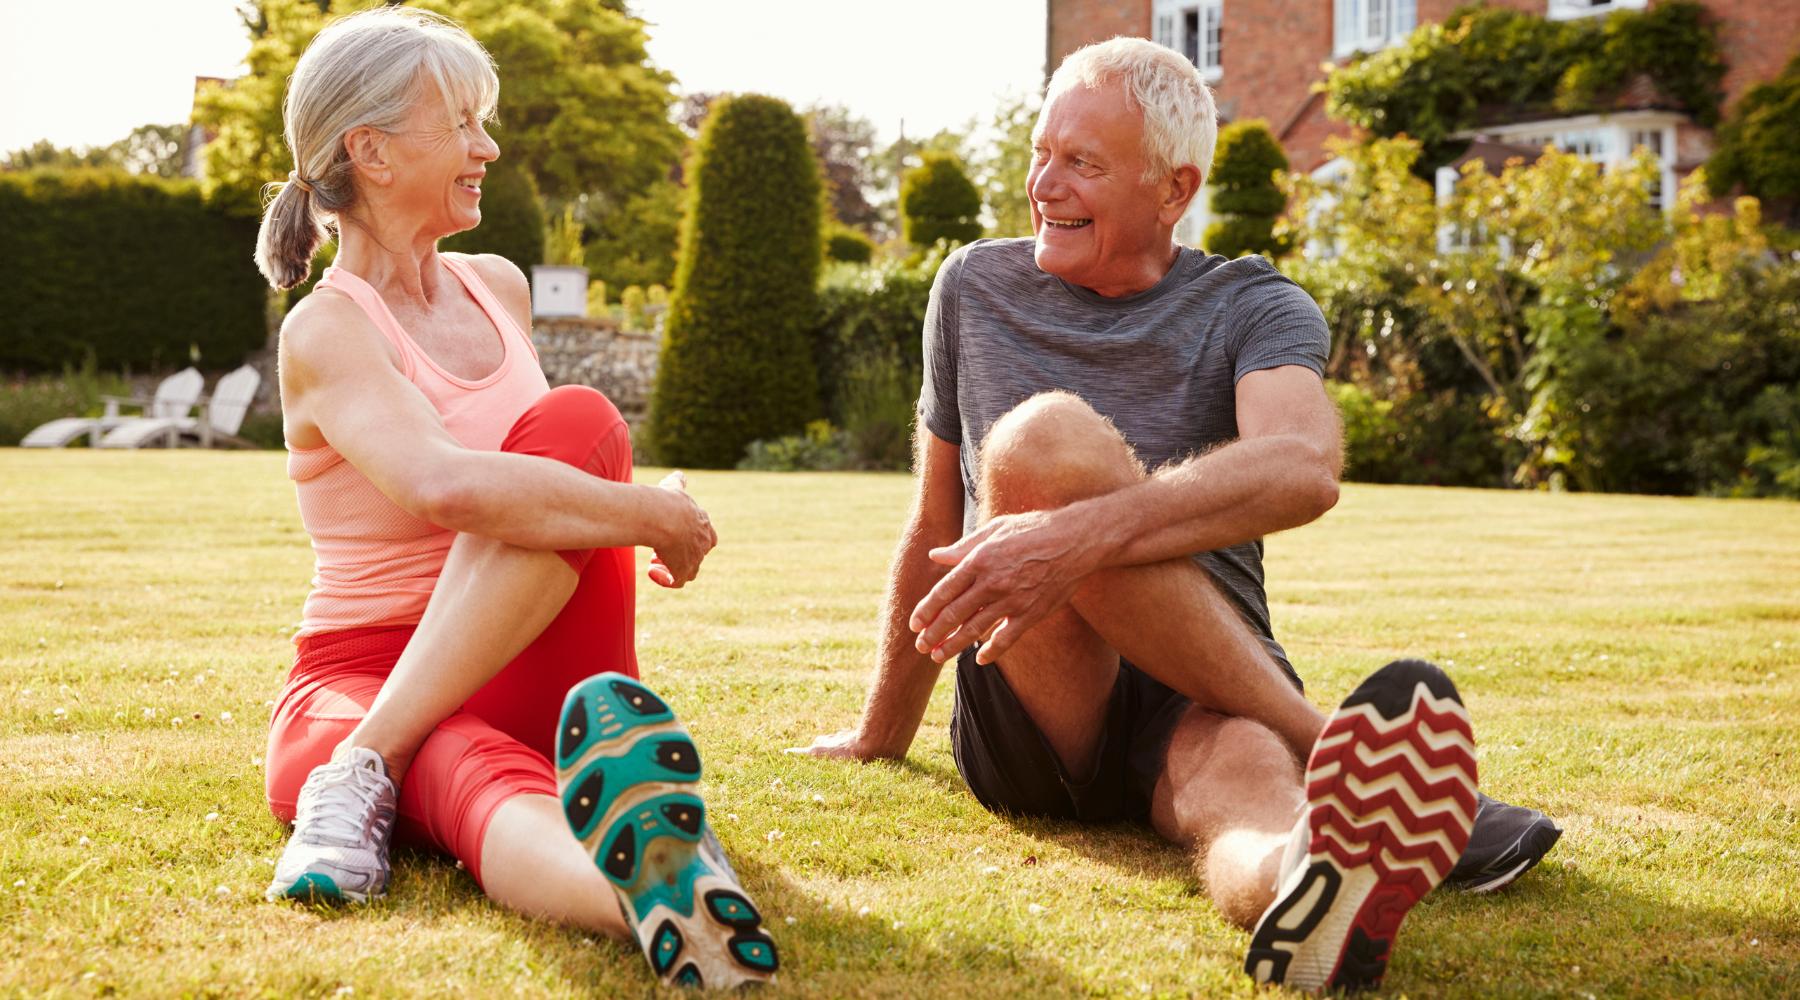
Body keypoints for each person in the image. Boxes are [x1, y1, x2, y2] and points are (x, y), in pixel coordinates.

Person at [794, 37, 1559, 993]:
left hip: (1209, 686)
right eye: (1041, 152)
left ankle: (1306, 886)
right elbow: (933, 519)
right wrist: (879, 733)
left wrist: (1075, 537)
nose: (1045, 183)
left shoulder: (1252, 304)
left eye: (1083, 163)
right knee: (1043, 442)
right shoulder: (973, 289)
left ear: (1173, 186)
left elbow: (1305, 468)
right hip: (1035, 691)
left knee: (1248, 789)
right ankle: (1324, 738)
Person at [252, 8, 774, 989]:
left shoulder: (500, 287)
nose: (487, 147)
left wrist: (621, 498)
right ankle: (657, 897)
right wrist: (652, 514)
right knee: (459, 764)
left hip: (532, 656)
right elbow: (443, 483)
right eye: (461, 123)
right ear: (369, 148)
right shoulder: (328, 332)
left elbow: (543, 478)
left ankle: (365, 772)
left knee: (578, 423)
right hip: (361, 676)